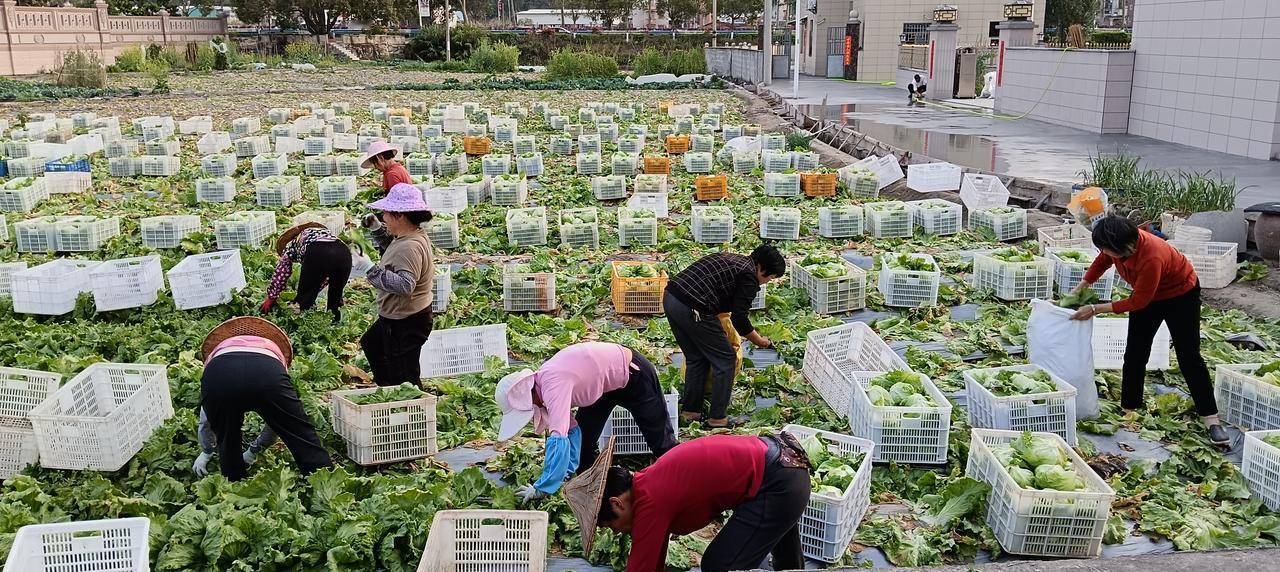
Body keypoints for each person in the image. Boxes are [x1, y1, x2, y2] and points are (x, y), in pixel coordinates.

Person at [1069, 216, 1228, 445]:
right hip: (1147, 296)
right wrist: (1081, 287)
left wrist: (1095, 309)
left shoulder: (1152, 255)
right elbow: (1103, 260)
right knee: (1135, 353)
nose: (1105, 252)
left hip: (1181, 295)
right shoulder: (1117, 246)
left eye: (1107, 248)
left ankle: (1211, 419)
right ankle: (1129, 408)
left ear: (1124, 247)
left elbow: (1138, 302)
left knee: (1189, 356)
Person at [564, 433, 811, 572]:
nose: (616, 531)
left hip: (778, 484)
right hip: (784, 467)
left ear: (617, 503)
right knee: (786, 564)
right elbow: (653, 559)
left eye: (609, 525)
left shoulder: (650, 501)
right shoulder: (649, 481)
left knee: (719, 566)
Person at [495, 342, 677, 503]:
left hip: (633, 374)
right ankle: (597, 491)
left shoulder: (552, 385)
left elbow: (559, 438)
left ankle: (680, 480)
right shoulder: (544, 386)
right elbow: (572, 430)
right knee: (584, 444)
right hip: (601, 388)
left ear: (528, 396)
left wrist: (542, 488)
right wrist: (566, 472)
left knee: (662, 443)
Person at [663, 245, 786, 428]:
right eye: (770, 277)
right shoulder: (749, 276)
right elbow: (739, 319)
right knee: (726, 359)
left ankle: (690, 412)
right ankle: (718, 419)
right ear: (761, 268)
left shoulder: (733, 259)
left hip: (671, 298)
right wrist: (760, 341)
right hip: (693, 308)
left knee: (696, 358)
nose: (766, 282)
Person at [198, 317, 332, 481]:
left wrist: (207, 451)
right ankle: (325, 482)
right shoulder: (273, 352)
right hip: (267, 372)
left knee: (226, 438)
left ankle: (234, 485)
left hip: (219, 375)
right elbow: (276, 422)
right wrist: (254, 450)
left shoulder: (217, 355)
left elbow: (206, 419)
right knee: (299, 434)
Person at [351, 183, 435, 387]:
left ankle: (405, 399)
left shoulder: (410, 247)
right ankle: (387, 386)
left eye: (386, 214)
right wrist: (377, 230)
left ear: (400, 216)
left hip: (406, 321)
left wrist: (369, 268)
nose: (383, 217)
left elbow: (406, 285)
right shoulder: (411, 235)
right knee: (372, 344)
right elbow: (394, 246)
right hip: (401, 316)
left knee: (405, 375)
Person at [260, 222, 353, 324]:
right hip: (344, 253)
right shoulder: (323, 235)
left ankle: (304, 323)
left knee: (304, 301)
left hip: (318, 252)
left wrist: (272, 297)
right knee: (335, 297)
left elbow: (281, 272)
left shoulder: (291, 245)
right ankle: (334, 324)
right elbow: (324, 277)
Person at [360, 141, 412, 252]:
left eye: (375, 163)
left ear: (380, 158)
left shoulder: (391, 174)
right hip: (405, 218)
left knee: (392, 251)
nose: (375, 167)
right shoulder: (399, 169)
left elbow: (396, 202)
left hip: (399, 220)